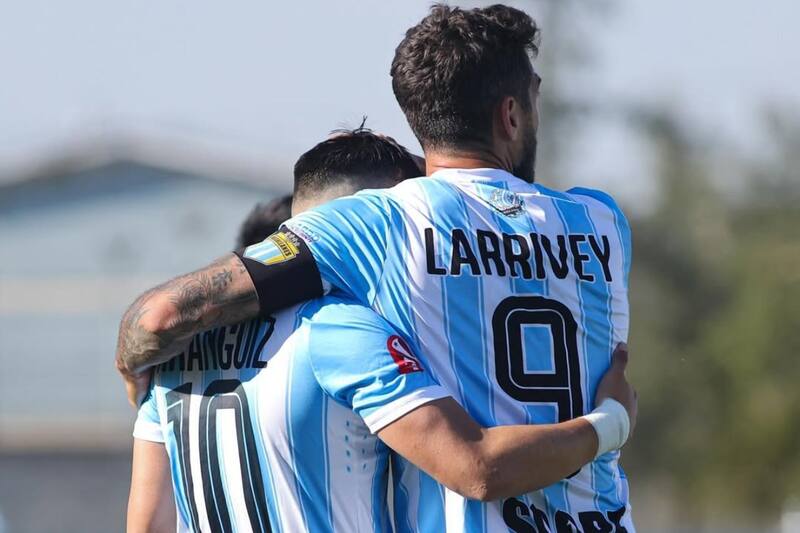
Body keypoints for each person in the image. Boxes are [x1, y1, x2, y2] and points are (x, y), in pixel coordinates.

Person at [117, 4, 638, 530]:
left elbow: (164, 314)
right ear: (510, 114)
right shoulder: (602, 221)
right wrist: (611, 421)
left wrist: (132, 360)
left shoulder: (381, 223)